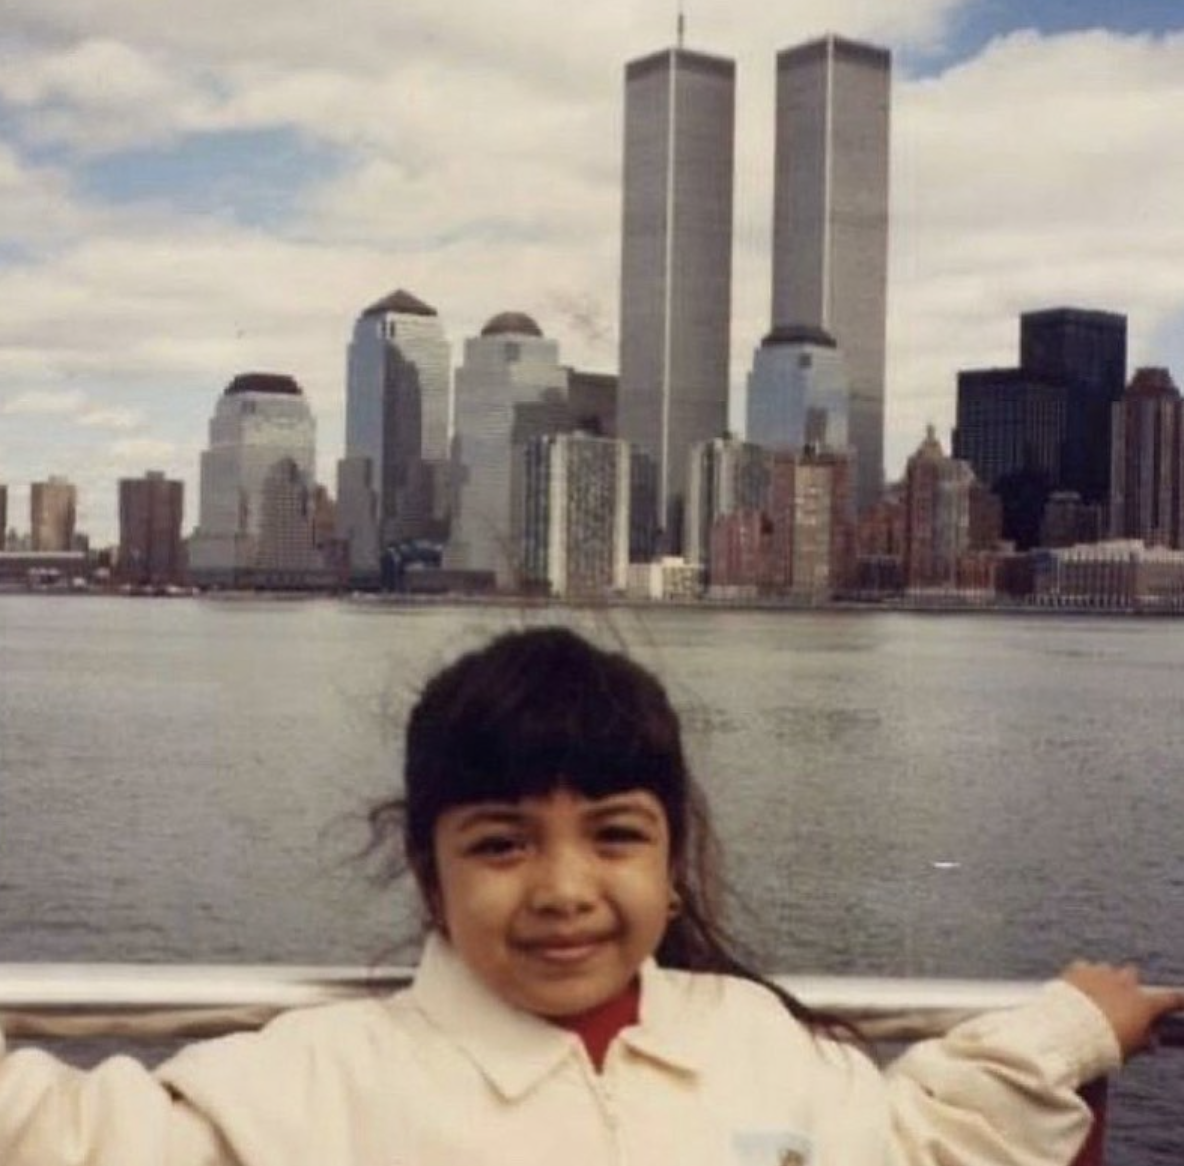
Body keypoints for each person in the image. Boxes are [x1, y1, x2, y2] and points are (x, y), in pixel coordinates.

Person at [0, 625, 1179, 1166]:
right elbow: (58, 1134)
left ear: (671, 861)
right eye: (502, 843)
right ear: (429, 870)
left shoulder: (756, 1042)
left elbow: (924, 1137)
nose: (564, 889)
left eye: (614, 835)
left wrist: (1067, 1027)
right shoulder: (307, 1083)